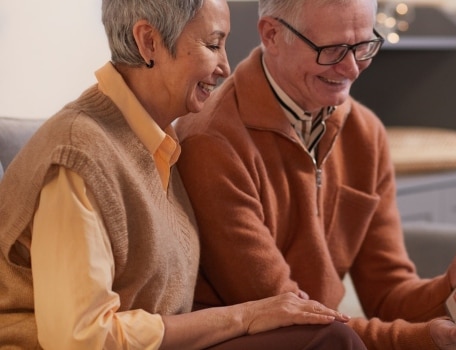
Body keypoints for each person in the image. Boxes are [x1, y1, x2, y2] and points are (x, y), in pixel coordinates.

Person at [175, 0, 456, 349]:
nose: (352, 69)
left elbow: (387, 294)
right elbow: (292, 317)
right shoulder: (213, 143)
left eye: (364, 46)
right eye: (333, 50)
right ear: (271, 35)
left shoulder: (365, 133)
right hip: (275, 338)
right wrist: (425, 338)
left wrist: (450, 287)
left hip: (333, 333)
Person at [0, 0, 366, 349]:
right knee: (330, 341)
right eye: (213, 44)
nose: (225, 67)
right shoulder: (78, 155)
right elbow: (81, 339)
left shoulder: (157, 143)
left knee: (327, 336)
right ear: (149, 41)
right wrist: (244, 317)